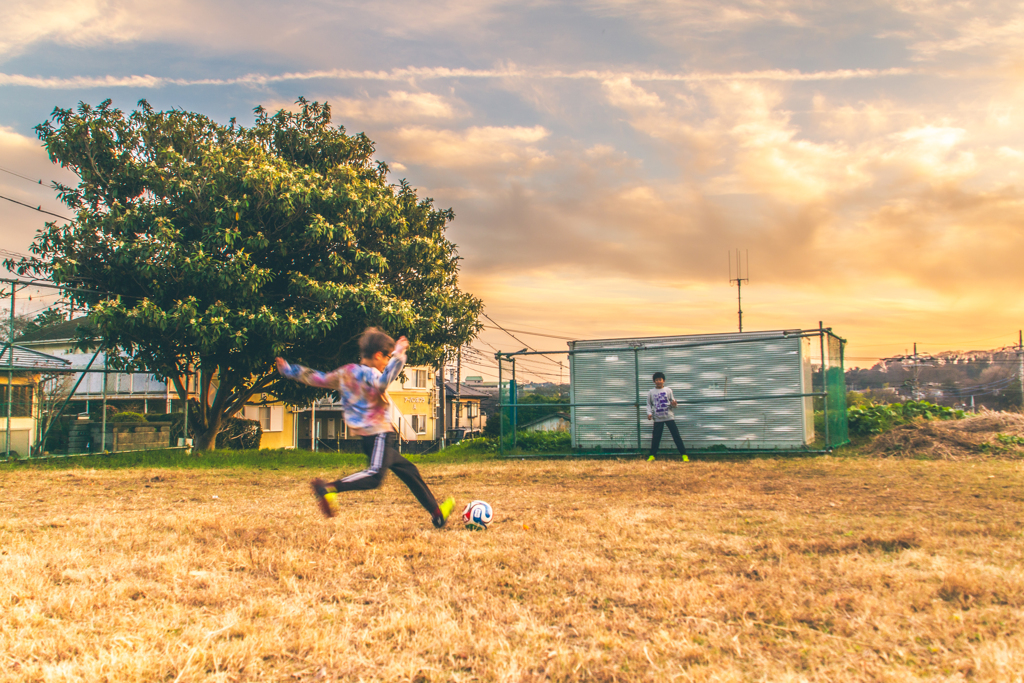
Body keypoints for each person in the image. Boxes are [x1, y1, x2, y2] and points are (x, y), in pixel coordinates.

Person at [275, 327, 455, 527]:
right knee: (375, 476)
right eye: (386, 358)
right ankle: (328, 488)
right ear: (378, 355)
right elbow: (383, 382)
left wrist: (291, 370)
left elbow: (319, 378)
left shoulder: (346, 372)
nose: (386, 363)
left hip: (370, 437)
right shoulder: (370, 374)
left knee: (408, 469)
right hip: (378, 433)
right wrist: (399, 355)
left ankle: (437, 513)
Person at [646, 371, 688, 461]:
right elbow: (649, 404)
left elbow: (673, 403)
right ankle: (652, 455)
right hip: (657, 418)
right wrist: (649, 413)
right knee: (656, 437)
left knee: (676, 436)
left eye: (660, 379)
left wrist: (674, 404)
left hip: (669, 416)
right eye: (656, 380)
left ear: (663, 380)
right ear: (654, 381)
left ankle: (684, 454)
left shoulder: (668, 390)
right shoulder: (651, 392)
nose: (658, 381)